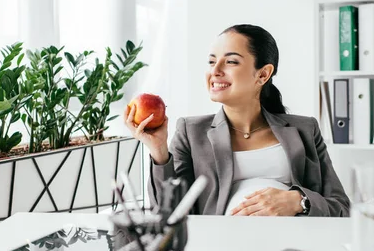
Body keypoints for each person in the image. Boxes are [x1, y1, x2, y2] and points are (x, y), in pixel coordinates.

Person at [124, 24, 350, 217]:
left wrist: (299, 201)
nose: (216, 70)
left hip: (294, 250)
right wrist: (159, 151)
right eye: (212, 62)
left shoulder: (304, 129)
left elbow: (341, 207)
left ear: (262, 74)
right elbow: (166, 214)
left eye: (230, 62)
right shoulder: (191, 132)